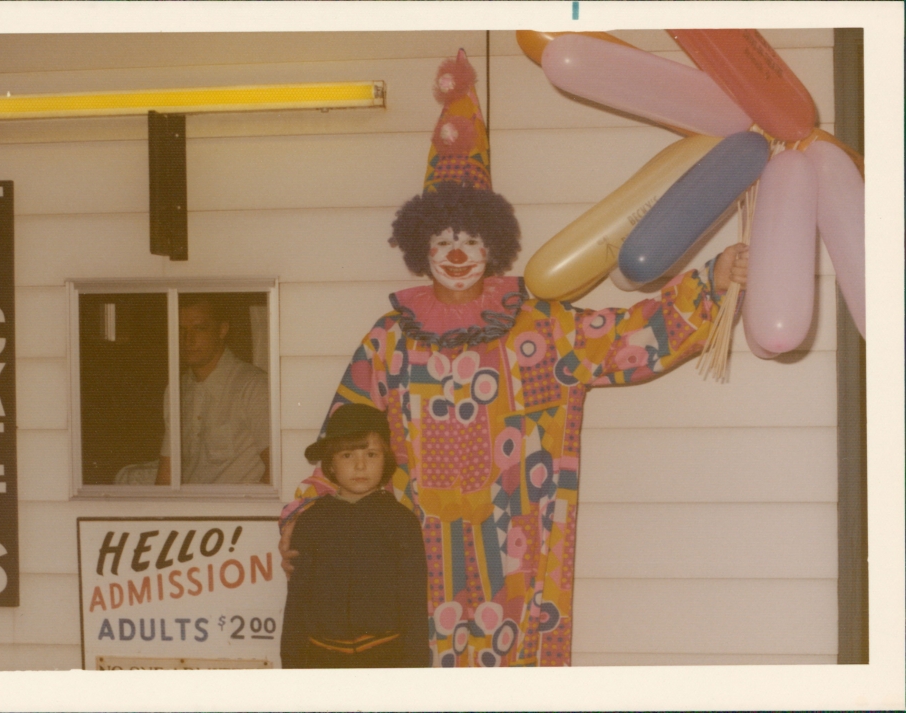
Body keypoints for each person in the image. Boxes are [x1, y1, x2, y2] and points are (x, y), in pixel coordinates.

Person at [280, 50, 749, 667]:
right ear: (421, 247)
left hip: (512, 561)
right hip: (409, 558)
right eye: (442, 239)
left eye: (470, 238)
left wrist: (710, 282)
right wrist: (305, 512)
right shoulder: (390, 340)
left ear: (493, 245)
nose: (456, 253)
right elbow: (346, 432)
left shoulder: (537, 328)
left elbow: (626, 337)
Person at [280, 403, 429, 668]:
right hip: (321, 659)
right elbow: (297, 601)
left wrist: (415, 670)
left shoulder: (401, 522)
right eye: (347, 455)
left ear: (386, 460)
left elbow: (414, 603)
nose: (360, 465)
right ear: (331, 464)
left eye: (371, 454)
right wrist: (292, 664)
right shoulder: (311, 522)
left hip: (386, 657)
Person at [155, 295, 270, 485]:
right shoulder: (176, 390)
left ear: (222, 330)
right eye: (181, 329)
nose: (188, 339)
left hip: (235, 502)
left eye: (199, 328)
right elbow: (166, 476)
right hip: (188, 501)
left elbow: (277, 470)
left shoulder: (253, 386)